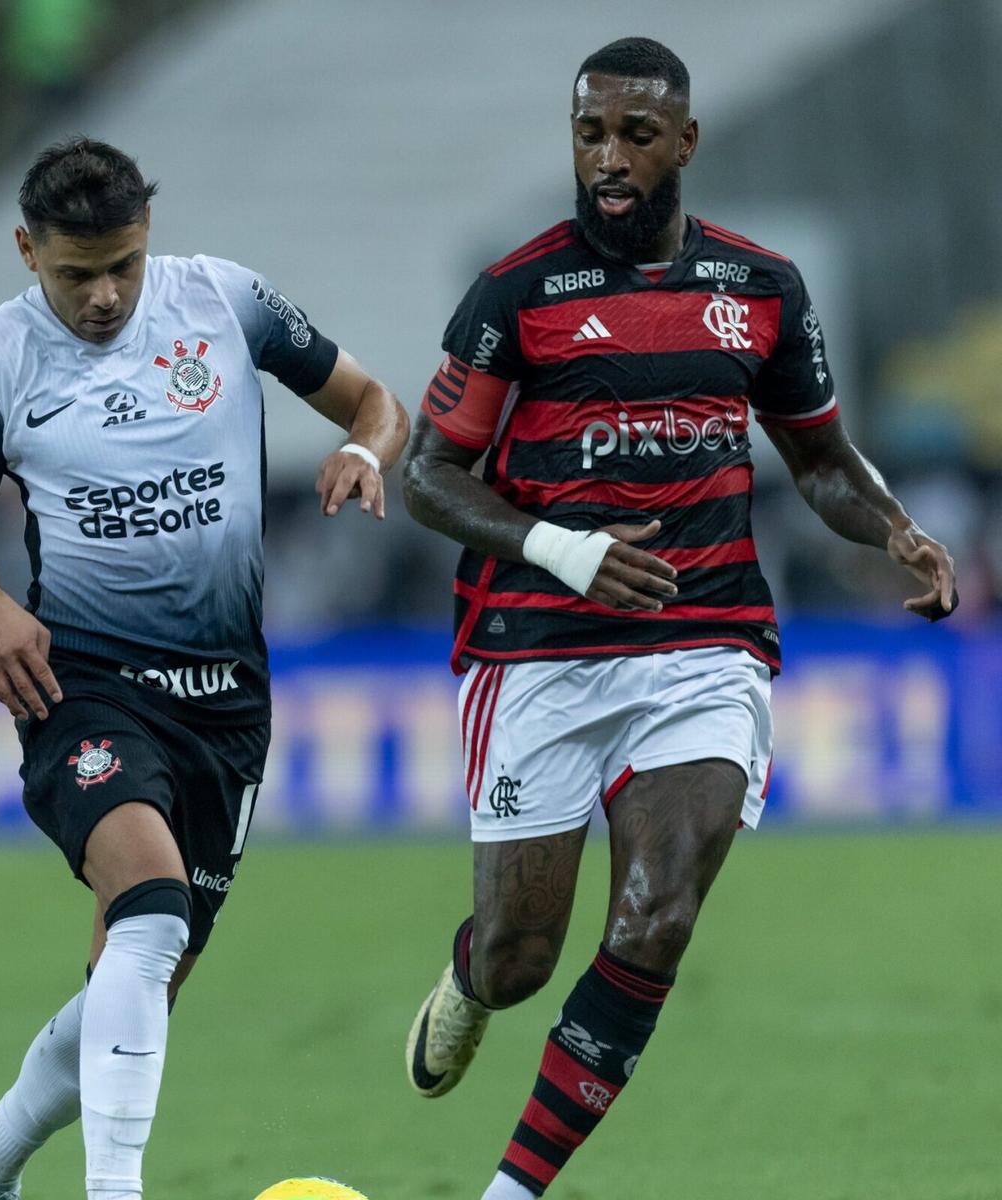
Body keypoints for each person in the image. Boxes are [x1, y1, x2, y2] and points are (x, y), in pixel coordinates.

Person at [399, 38, 957, 1200]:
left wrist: (895, 530)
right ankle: (467, 981)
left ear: (685, 143)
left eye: (635, 136)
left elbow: (819, 458)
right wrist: (564, 549)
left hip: (704, 642)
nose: (609, 158)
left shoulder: (760, 291)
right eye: (590, 133)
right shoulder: (518, 295)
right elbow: (429, 475)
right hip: (539, 647)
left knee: (657, 911)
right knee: (519, 959)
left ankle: (511, 1192)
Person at [0, 136, 408, 1200]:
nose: (104, 295)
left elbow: (378, 401)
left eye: (123, 266)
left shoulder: (226, 304)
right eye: (75, 273)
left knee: (135, 979)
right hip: (80, 687)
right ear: (25, 250)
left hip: (229, 704)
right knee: (149, 906)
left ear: (151, 240)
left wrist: (365, 452)